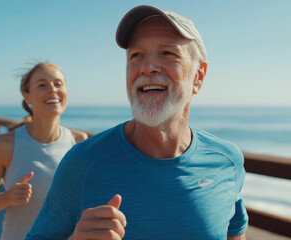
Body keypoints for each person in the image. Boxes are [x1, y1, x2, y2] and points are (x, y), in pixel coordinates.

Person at [27, 5, 248, 240]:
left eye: (167, 53)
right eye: (136, 55)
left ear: (198, 77)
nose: (146, 67)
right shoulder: (82, 162)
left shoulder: (227, 161)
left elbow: (235, 234)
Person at [0, 62, 88, 240]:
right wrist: (7, 198)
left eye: (58, 83)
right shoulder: (4, 145)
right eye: (42, 85)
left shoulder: (78, 141)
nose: (52, 90)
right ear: (27, 97)